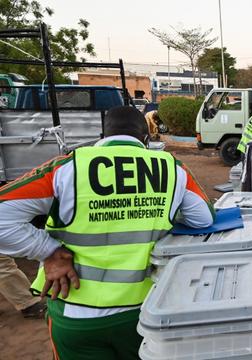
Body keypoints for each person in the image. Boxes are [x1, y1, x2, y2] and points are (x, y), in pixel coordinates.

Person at [0, 106, 214, 360]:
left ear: (103, 135)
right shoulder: (172, 168)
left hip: (76, 312)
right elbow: (203, 219)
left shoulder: (68, 167)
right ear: (145, 138)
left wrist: (48, 250)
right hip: (144, 312)